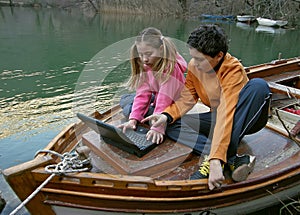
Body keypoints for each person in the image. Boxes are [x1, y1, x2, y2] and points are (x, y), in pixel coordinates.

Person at [142, 24, 271, 190]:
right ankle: (231, 159)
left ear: (219, 56)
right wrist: (166, 115)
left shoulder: (233, 70)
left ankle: (216, 157)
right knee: (171, 125)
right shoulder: (194, 66)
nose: (194, 63)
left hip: (243, 117)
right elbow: (187, 98)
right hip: (218, 117)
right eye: (193, 57)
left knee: (259, 86)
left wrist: (215, 160)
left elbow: (227, 113)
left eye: (200, 59)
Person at [119, 27, 187, 144]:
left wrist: (157, 127)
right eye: (141, 54)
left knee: (127, 107)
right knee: (125, 101)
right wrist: (133, 120)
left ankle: (136, 108)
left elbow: (164, 100)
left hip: (173, 106)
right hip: (156, 98)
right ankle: (135, 109)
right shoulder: (147, 65)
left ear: (161, 49)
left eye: (149, 54)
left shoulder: (171, 68)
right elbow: (142, 94)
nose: (144, 59)